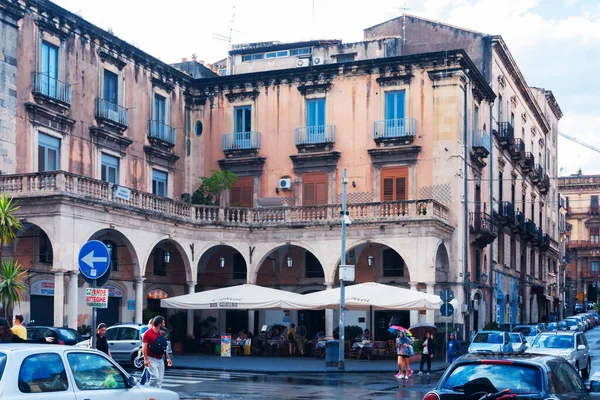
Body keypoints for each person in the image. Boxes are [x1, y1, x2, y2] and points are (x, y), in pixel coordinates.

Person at [142, 316, 173, 388]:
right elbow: (144, 347)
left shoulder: (160, 334)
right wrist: (146, 359)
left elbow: (163, 347)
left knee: (159, 380)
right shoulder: (147, 333)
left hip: (160, 359)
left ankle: (157, 395)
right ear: (159, 324)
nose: (164, 325)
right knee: (155, 377)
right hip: (151, 358)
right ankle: (148, 390)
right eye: (163, 323)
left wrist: (168, 358)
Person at [139, 319, 153, 385]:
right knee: (148, 366)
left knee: (147, 367)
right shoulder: (143, 329)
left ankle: (142, 382)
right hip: (144, 349)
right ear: (149, 324)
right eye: (152, 325)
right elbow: (143, 336)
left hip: (150, 349)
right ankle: (149, 381)